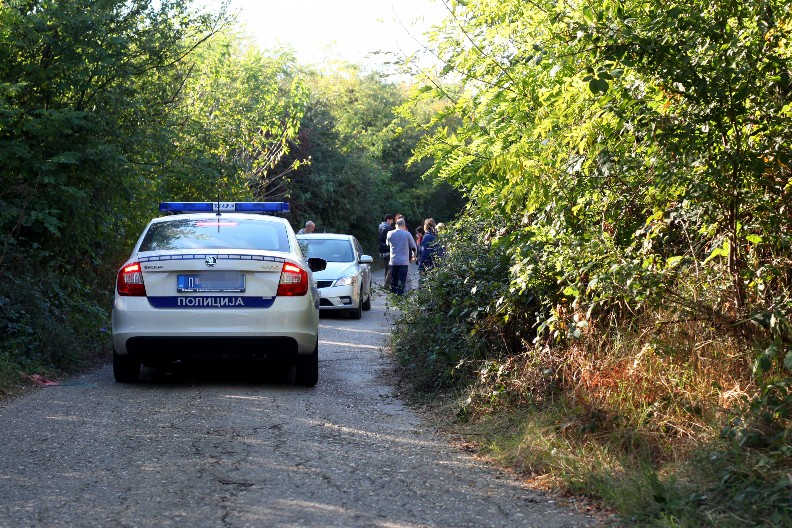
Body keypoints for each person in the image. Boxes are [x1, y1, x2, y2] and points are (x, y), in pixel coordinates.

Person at [386, 218, 416, 295]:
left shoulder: (390, 233)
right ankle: (399, 295)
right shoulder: (407, 234)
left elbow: (387, 244)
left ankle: (393, 294)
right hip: (404, 261)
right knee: (402, 280)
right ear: (403, 225)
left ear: (396, 224)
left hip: (393, 261)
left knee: (394, 279)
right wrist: (414, 255)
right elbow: (413, 247)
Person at [418, 218, 438, 284]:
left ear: (425, 226)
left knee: (423, 284)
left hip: (427, 264)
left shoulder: (427, 237)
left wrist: (420, 266)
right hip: (434, 263)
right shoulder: (434, 235)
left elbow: (425, 252)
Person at [378, 214, 395, 285]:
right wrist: (390, 247)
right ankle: (387, 284)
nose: (392, 222)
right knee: (390, 269)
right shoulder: (387, 228)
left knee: (387, 268)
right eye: (391, 220)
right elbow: (386, 241)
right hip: (387, 251)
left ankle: (386, 283)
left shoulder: (381, 227)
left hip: (382, 251)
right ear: (388, 219)